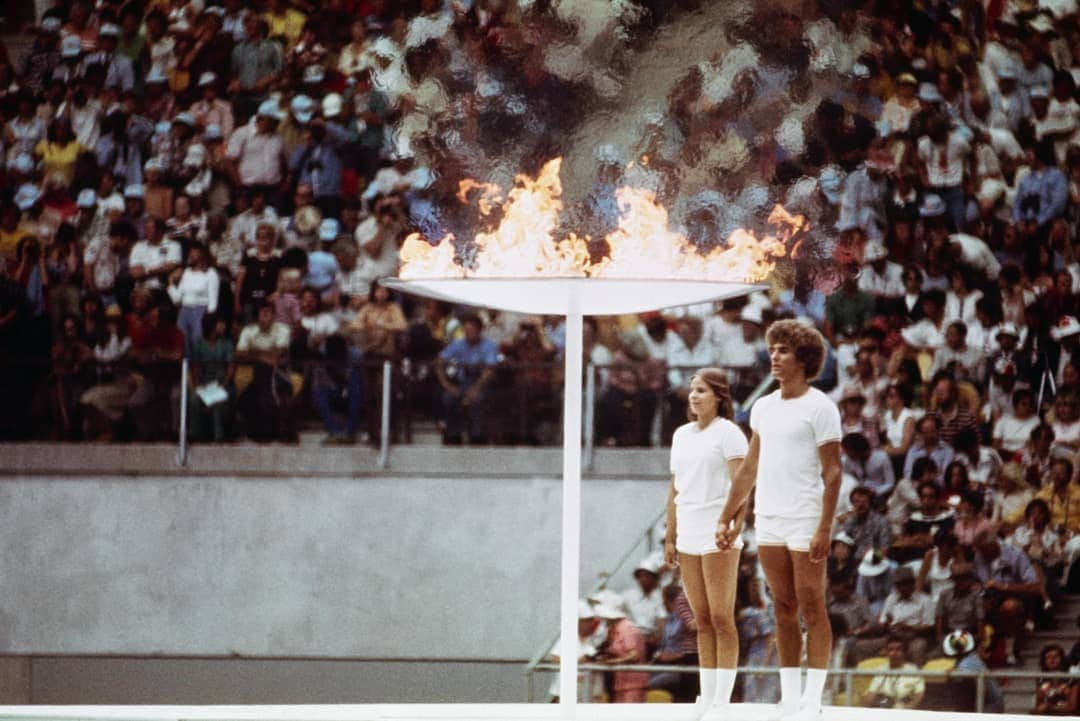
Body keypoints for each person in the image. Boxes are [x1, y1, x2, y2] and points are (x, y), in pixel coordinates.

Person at [718, 319, 842, 721]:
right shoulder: (763, 407)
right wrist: (728, 515)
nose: (774, 355)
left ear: (803, 358)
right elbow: (749, 468)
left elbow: (833, 471)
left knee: (812, 604)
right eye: (772, 349)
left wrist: (826, 525)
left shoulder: (821, 407)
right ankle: (790, 695)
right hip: (769, 517)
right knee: (782, 607)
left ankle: (814, 695)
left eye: (783, 350)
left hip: (806, 516)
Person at [663, 368, 747, 719]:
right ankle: (707, 693)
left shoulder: (729, 433)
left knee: (721, 616)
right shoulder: (681, 435)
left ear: (719, 397)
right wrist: (670, 535)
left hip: (718, 530)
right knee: (701, 620)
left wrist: (731, 526)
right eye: (692, 390)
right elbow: (674, 488)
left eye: (702, 390)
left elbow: (742, 488)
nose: (694, 396)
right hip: (688, 532)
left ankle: (722, 700)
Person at [861, 636, 925, 709]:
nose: (894, 653)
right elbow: (871, 693)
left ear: (904, 652)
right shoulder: (881, 670)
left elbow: (920, 694)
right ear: (886, 653)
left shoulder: (913, 670)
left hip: (905, 711)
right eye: (890, 650)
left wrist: (908, 708)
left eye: (898, 649)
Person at [1034, 644, 1079, 714]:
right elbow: (1038, 705)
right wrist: (1042, 693)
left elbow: (1073, 707)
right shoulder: (1041, 678)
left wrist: (1050, 707)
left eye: (1055, 657)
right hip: (1048, 714)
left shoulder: (1072, 676)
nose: (1052, 660)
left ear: (1062, 658)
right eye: (1048, 657)